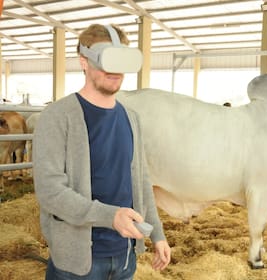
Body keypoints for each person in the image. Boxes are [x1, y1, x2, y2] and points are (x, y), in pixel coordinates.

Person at [33, 23, 171, 279]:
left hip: (125, 256)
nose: (115, 70)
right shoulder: (57, 117)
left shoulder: (132, 118)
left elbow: (141, 182)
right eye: (106, 58)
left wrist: (157, 235)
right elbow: (50, 191)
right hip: (78, 261)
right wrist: (110, 216)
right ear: (84, 61)